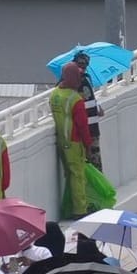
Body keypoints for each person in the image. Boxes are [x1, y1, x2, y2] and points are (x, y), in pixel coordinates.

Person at [48, 62, 95, 217]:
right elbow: (83, 126)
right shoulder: (75, 100)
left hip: (61, 140)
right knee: (77, 175)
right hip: (74, 142)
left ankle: (69, 206)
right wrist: (88, 146)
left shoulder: (54, 94)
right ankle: (80, 210)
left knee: (69, 175)